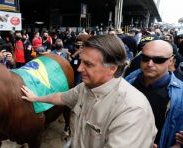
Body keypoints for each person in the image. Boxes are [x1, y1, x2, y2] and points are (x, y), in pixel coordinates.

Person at [21, 35, 156, 148]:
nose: (79, 69)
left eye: (88, 64)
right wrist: (36, 98)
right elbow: (61, 97)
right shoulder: (85, 88)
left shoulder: (132, 110)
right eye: (81, 62)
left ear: (112, 69)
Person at [125, 40, 183, 148]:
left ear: (171, 61)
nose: (150, 64)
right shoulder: (128, 81)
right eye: (146, 58)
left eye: (158, 60)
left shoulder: (180, 95)